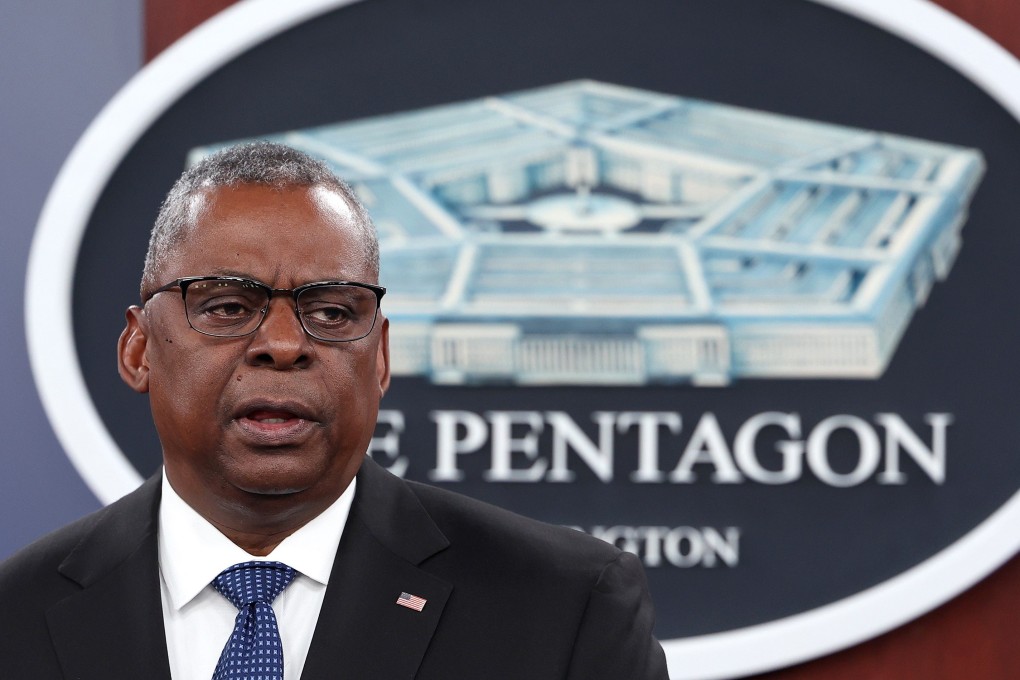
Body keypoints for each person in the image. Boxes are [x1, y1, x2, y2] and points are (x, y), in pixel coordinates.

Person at [0, 141, 668, 679]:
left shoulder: (563, 607)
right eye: (228, 306)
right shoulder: (15, 617)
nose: (285, 345)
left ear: (378, 357)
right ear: (139, 349)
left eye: (330, 311)